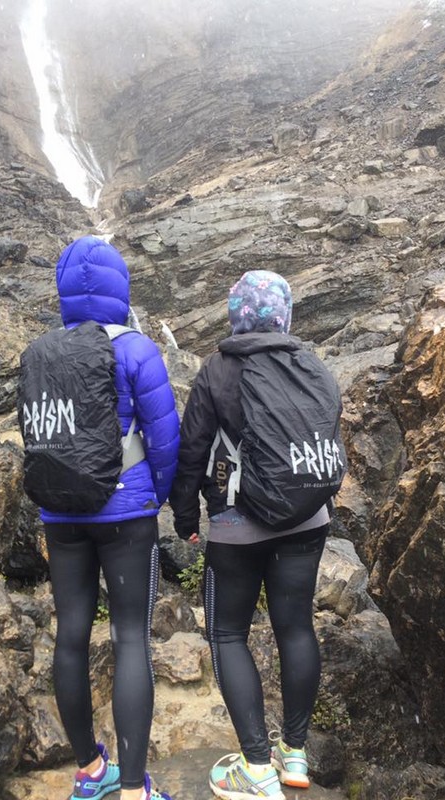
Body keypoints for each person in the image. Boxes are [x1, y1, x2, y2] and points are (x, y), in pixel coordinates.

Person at [169, 270, 334, 800]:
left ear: (235, 314)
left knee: (228, 635)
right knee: (296, 630)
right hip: (308, 519)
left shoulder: (218, 369)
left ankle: (256, 767)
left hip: (239, 525)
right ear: (285, 314)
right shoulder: (311, 364)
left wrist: (186, 520)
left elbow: (191, 450)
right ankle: (294, 758)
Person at [41, 236, 179, 800]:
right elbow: (165, 437)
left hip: (61, 513)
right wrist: (156, 496)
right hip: (127, 515)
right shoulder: (137, 348)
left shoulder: (42, 350)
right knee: (130, 640)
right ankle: (133, 789)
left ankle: (88, 773)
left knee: (70, 637)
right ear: (121, 288)